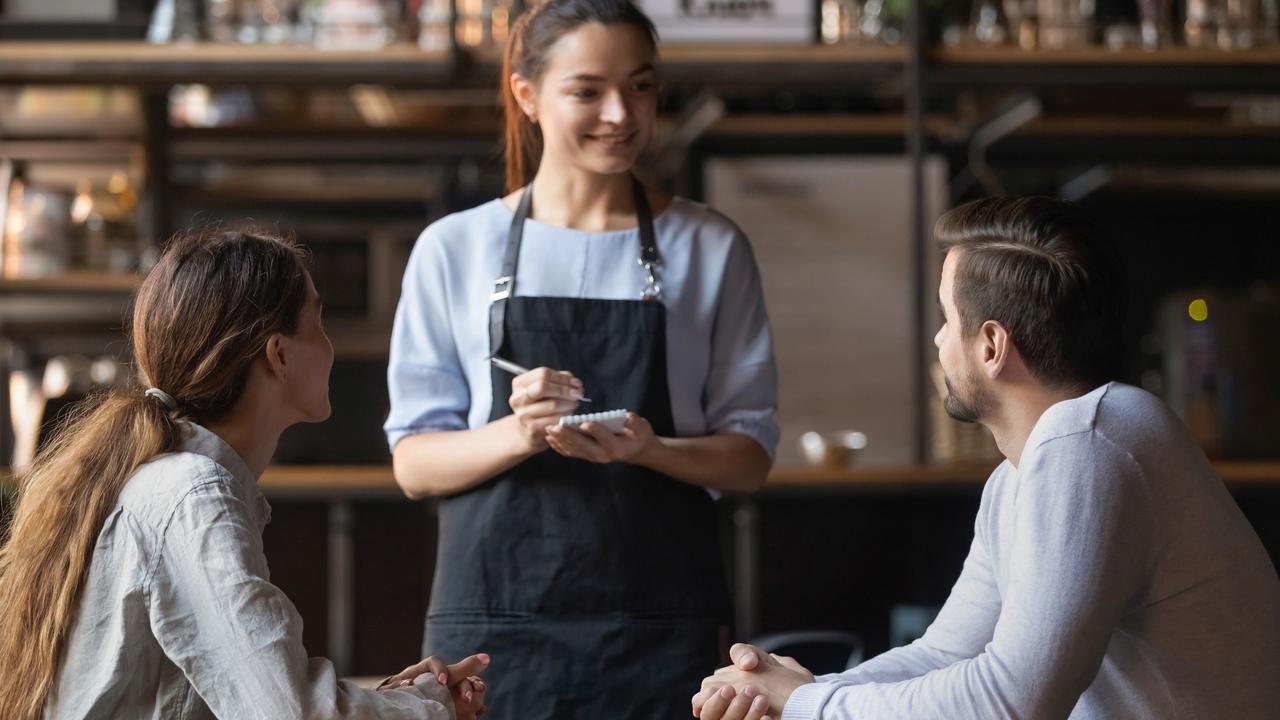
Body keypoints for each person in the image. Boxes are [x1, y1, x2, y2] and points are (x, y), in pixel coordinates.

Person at [692, 197, 1280, 720]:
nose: (938, 341)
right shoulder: (1025, 471)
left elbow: (1013, 701)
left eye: (948, 319)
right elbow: (947, 653)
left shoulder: (1089, 443)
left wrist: (805, 703)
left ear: (992, 346)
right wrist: (790, 690)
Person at [383, 0, 778, 716]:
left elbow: (748, 458)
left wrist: (651, 448)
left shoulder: (711, 246)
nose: (621, 114)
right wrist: (521, 432)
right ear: (527, 94)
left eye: (641, 86)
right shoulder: (454, 248)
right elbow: (413, 463)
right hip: (494, 630)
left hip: (662, 625)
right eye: (588, 90)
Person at [0, 229, 489, 720]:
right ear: (278, 355)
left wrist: (397, 698)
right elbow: (290, 714)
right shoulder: (195, 497)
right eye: (318, 319)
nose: (330, 345)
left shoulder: (174, 484)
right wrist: (432, 708)